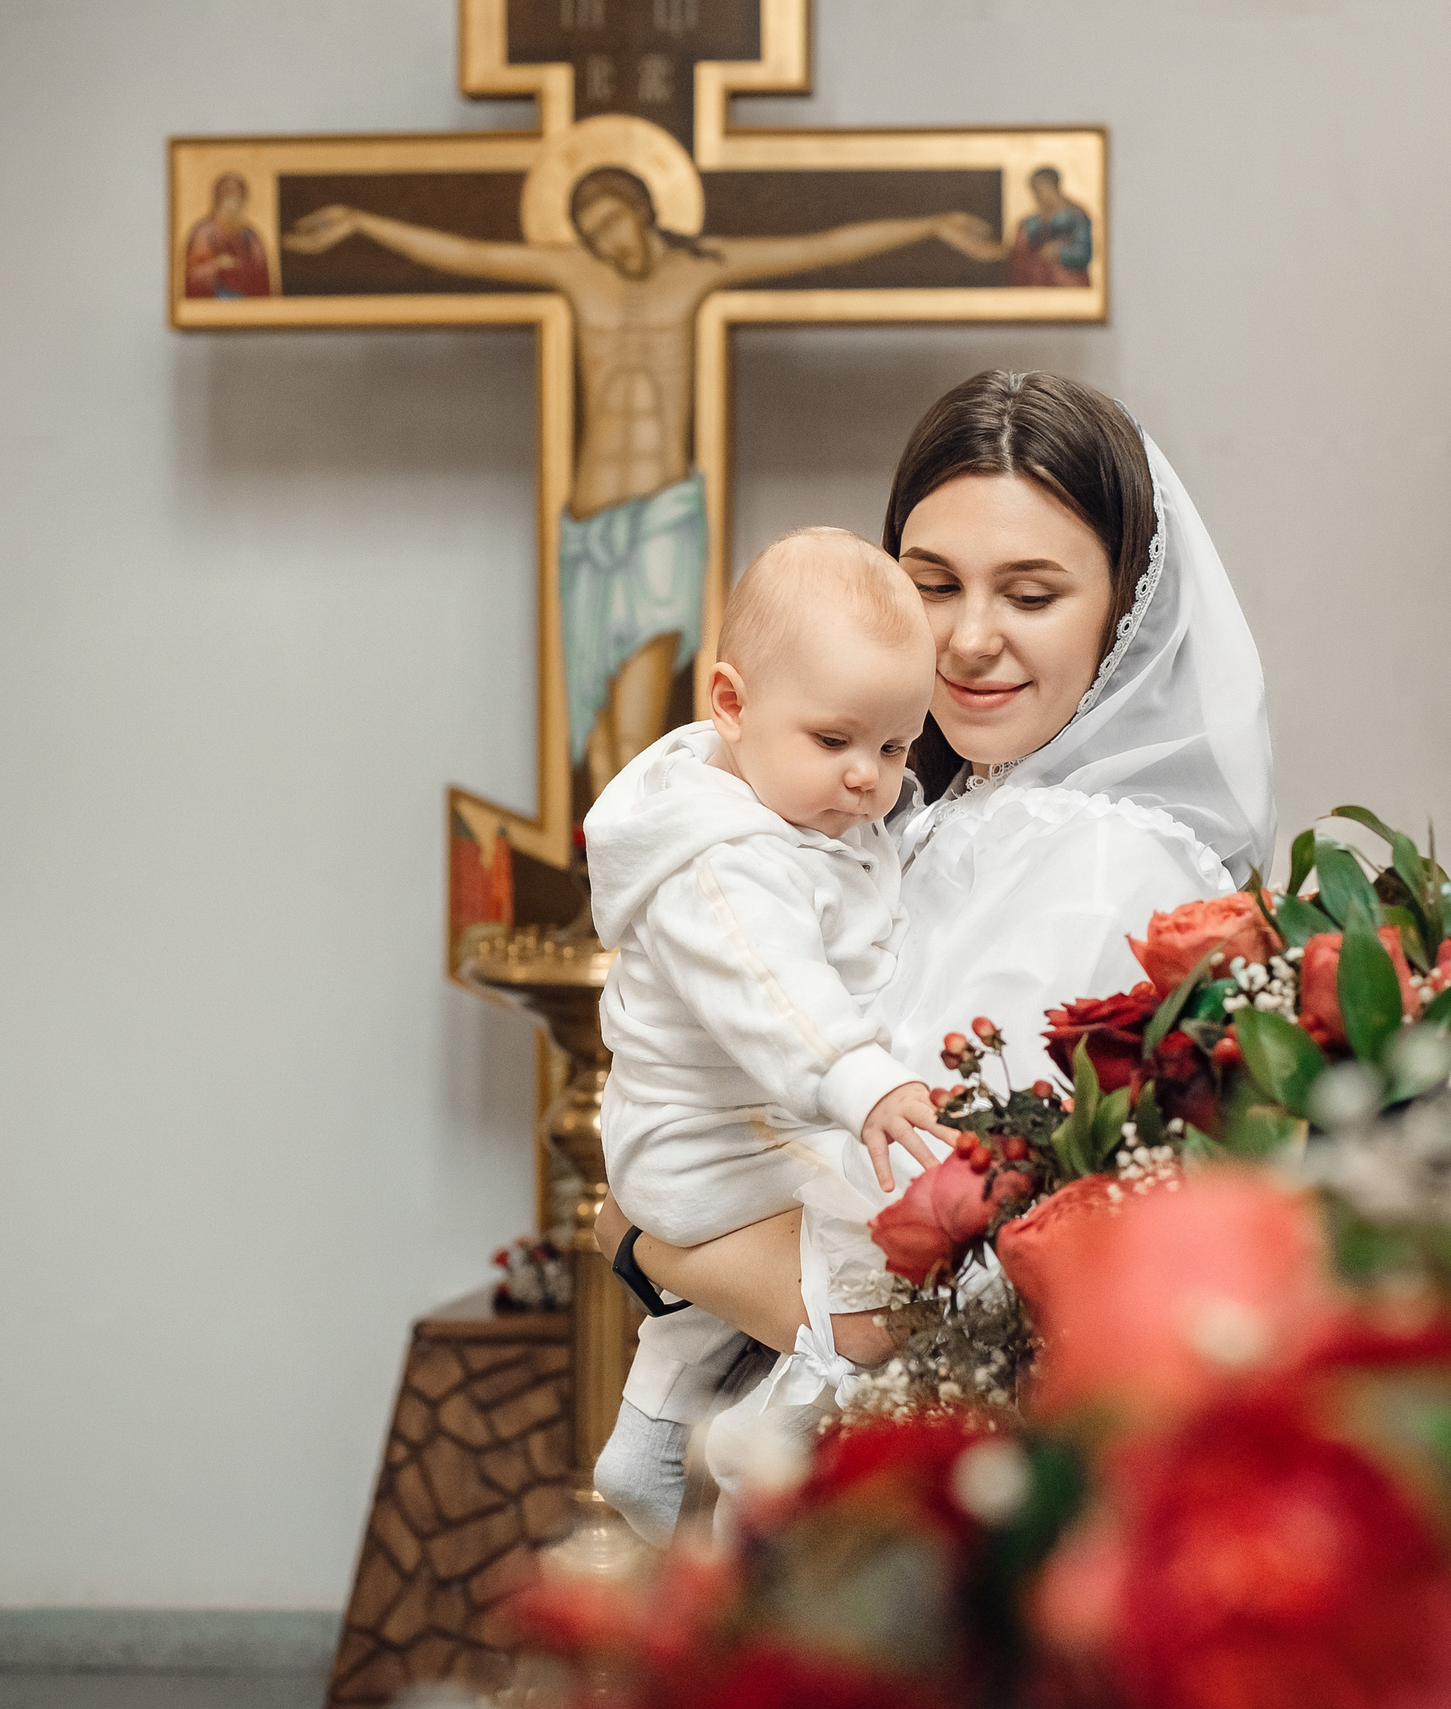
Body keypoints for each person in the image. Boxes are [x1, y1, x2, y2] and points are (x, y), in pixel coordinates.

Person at [592, 369, 1275, 1536]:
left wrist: (644, 1234)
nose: (968, 638)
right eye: (932, 583)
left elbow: (933, 1288)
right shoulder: (911, 807)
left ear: (1123, 609)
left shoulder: (1098, 862)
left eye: (1031, 592)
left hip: (945, 1492)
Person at [285, 169, 1006, 808]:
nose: (606, 241)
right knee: (592, 713)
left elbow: (818, 247)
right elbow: (470, 254)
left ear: (642, 211)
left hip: (663, 514)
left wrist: (932, 224)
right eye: (589, 231)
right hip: (590, 519)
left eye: (613, 222)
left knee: (639, 701)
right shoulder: (577, 275)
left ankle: (650, 855)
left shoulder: (695, 271)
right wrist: (360, 222)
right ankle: (613, 873)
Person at [582, 529, 957, 1540]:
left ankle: (648, 1437)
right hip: (703, 1137)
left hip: (738, 1126)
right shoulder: (724, 862)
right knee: (870, 1242)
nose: (866, 780)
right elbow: (775, 989)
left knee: (806, 1245)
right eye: (836, 742)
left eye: (893, 746)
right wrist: (862, 1077)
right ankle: (738, 1456)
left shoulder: (796, 808)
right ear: (732, 704)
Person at [181, 172, 272, 299]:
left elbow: (261, 276)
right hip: (212, 306)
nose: (233, 206)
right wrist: (217, 265)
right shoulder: (204, 234)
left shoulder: (250, 236)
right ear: (218, 202)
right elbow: (192, 276)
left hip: (246, 306)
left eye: (238, 200)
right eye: (228, 199)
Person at [1006, 167, 1092, 288]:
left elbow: (1083, 253)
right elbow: (1019, 256)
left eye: (1040, 191)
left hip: (1070, 285)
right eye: (1035, 192)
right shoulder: (1031, 222)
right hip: (1040, 287)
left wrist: (1059, 251)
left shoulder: (1076, 217)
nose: (1037, 197)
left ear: (1051, 187)